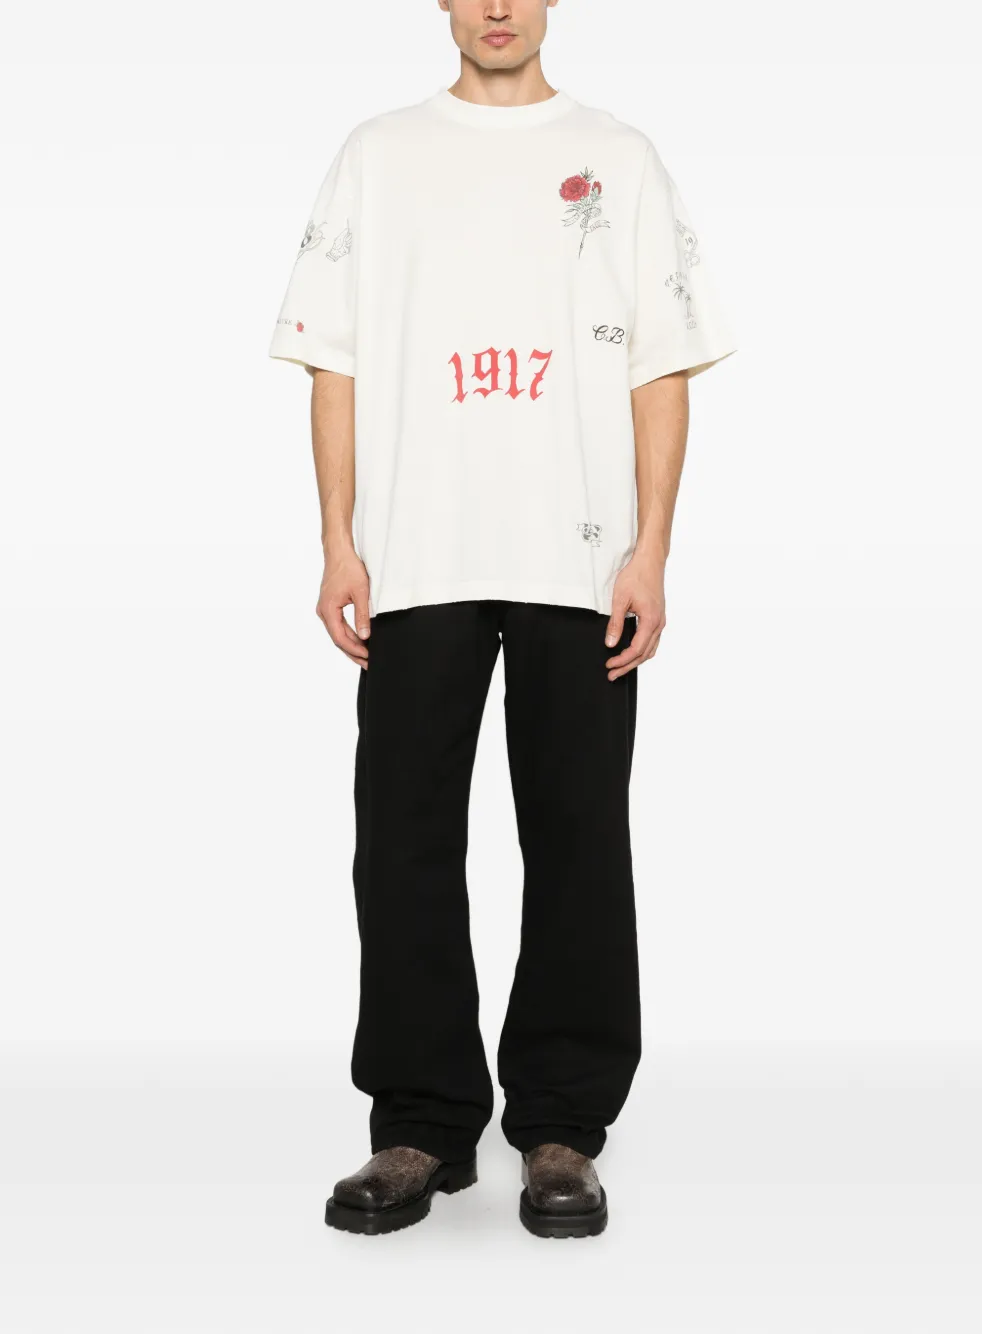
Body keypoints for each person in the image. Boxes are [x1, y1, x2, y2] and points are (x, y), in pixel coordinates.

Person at [269, 0, 735, 1239]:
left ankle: (562, 1124)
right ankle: (420, 1121)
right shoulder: (379, 154)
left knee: (578, 835)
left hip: (578, 557)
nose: (494, 7)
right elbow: (333, 361)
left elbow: (659, 365)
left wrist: (651, 549)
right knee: (402, 838)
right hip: (415, 549)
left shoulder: (618, 157)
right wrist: (336, 539)